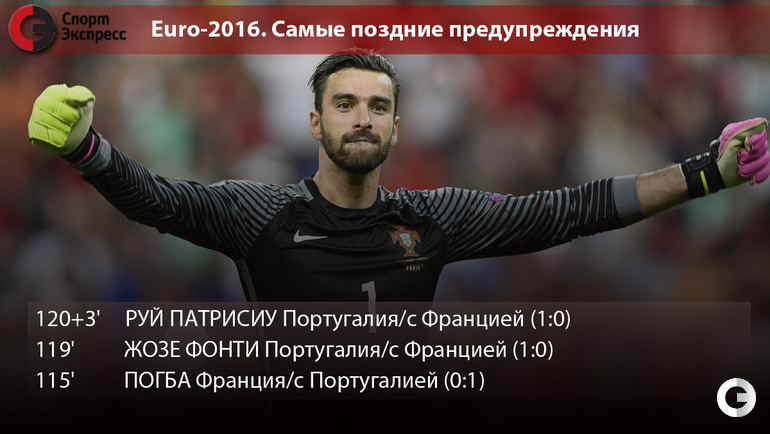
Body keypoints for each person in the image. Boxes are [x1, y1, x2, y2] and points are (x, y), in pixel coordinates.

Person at [27, 50, 770, 303]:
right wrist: (88, 146)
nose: (362, 118)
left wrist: (706, 174)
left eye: (377, 107)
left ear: (395, 127)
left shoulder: (434, 218)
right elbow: (156, 200)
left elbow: (570, 210)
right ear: (314, 123)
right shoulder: (259, 214)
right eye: (344, 104)